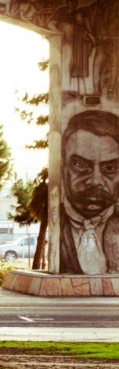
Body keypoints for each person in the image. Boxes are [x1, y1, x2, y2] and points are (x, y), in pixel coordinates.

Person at [60, 110, 119, 274]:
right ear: (62, 167)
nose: (95, 181)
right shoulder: (57, 224)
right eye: (80, 165)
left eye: (110, 168)